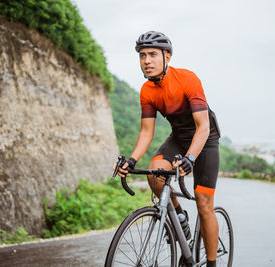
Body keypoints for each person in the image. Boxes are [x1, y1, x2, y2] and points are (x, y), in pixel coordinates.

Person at [117, 31, 221, 267]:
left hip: (205, 140)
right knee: (155, 175)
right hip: (178, 138)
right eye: (142, 56)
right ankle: (180, 218)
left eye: (153, 54)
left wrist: (190, 159)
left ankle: (212, 263)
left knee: (204, 205)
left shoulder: (187, 79)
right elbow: (146, 132)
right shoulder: (147, 91)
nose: (147, 61)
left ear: (168, 56)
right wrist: (132, 160)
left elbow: (202, 127)